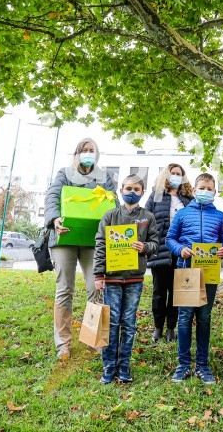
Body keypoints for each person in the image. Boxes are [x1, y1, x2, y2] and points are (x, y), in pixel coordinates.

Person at [44, 138, 117, 361]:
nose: (87, 153)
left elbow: (113, 204)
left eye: (91, 150)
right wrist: (54, 219)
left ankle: (94, 339)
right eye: (84, 150)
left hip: (93, 241)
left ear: (97, 154)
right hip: (64, 238)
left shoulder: (105, 177)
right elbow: (52, 196)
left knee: (95, 288)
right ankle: (63, 343)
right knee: (64, 289)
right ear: (76, 153)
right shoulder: (64, 173)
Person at [93, 175, 159, 384]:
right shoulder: (110, 216)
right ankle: (108, 366)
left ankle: (124, 366)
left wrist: (145, 247)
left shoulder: (148, 217)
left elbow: (156, 242)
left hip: (134, 280)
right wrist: (98, 274)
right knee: (111, 322)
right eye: (128, 188)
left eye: (137, 189)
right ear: (121, 191)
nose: (132, 191)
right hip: (111, 279)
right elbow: (101, 245)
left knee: (128, 323)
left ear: (142, 192)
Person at [167, 173, 223, 384]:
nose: (205, 191)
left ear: (214, 192)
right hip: (186, 272)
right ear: (194, 191)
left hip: (209, 274)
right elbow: (170, 239)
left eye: (209, 188)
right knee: (184, 318)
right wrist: (180, 249)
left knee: (204, 318)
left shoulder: (220, 216)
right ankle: (183, 364)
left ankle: (202, 364)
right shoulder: (183, 214)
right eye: (201, 187)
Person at [145, 164, 194, 342]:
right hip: (160, 249)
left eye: (178, 174)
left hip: (182, 251)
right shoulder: (156, 196)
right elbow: (146, 220)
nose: (175, 176)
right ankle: (158, 327)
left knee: (177, 291)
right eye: (172, 173)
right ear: (166, 175)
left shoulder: (189, 198)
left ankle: (171, 328)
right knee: (159, 291)